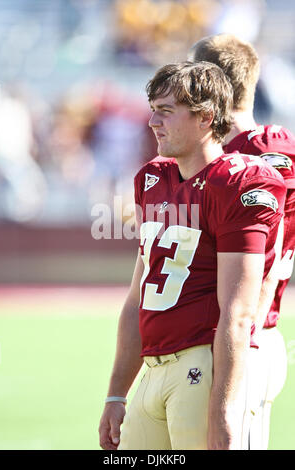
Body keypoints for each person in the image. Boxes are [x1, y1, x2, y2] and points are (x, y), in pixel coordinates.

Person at [98, 61, 286, 450]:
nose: (152, 121)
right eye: (153, 108)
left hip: (201, 368)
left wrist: (223, 412)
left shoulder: (238, 182)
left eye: (166, 110)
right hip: (152, 372)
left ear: (206, 117)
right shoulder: (153, 179)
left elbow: (238, 313)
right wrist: (117, 394)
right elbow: (137, 298)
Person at [189, 33, 295, 449]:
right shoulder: (214, 152)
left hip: (247, 335)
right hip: (221, 337)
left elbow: (268, 247)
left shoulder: (262, 149)